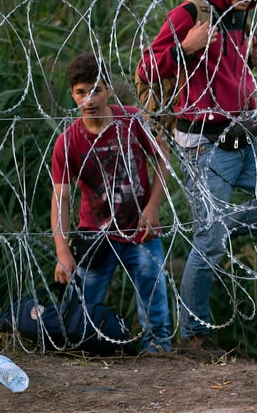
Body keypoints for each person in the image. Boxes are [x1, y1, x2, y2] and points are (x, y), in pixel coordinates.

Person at [138, 0, 257, 360]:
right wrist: (186, 46)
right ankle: (194, 336)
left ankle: (225, 224)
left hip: (245, 136)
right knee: (210, 242)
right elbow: (146, 68)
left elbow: (224, 69)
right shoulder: (190, 14)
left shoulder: (242, 16)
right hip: (205, 143)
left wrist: (254, 60)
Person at [51, 52, 171, 353]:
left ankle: (158, 361)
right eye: (81, 92)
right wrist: (63, 252)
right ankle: (84, 357)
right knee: (81, 313)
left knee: (155, 311)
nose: (89, 99)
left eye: (96, 90)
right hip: (95, 235)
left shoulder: (130, 119)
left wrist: (153, 206)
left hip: (140, 231)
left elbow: (162, 156)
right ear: (73, 94)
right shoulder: (68, 142)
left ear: (107, 90)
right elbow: (61, 198)